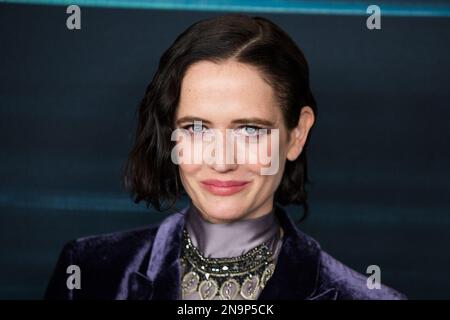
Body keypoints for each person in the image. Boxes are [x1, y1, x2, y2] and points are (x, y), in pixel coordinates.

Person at [45, 14, 406, 300]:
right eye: (197, 128)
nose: (222, 161)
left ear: (297, 134)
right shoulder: (89, 273)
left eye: (249, 130)